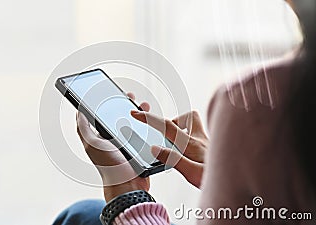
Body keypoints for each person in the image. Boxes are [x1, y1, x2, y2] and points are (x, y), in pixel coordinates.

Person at [53, 0, 316, 224]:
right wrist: (230, 175)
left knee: (79, 216)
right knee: (85, 213)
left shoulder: (257, 103)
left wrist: (127, 196)